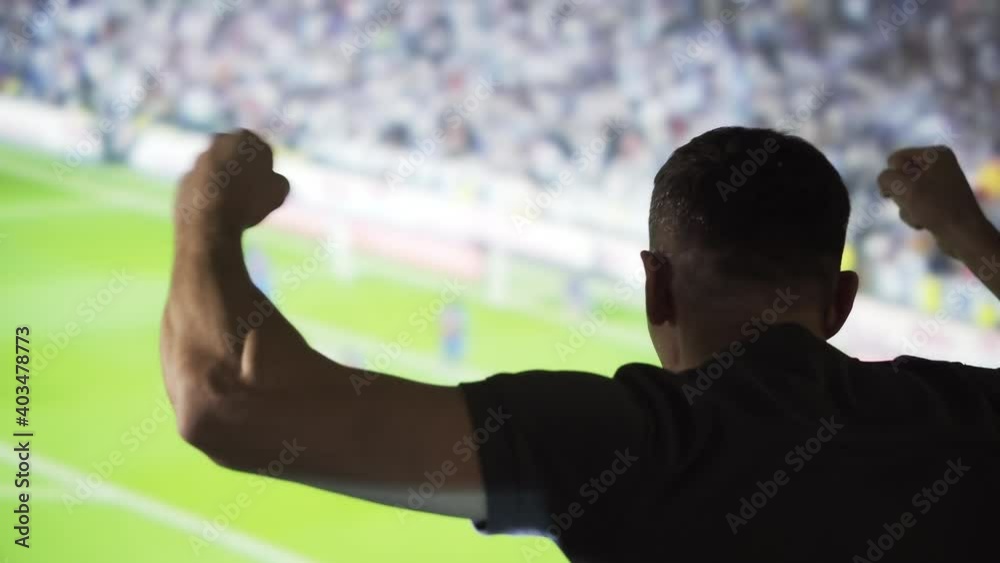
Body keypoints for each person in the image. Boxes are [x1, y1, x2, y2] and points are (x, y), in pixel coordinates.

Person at [160, 127, 999, 562]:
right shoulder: (965, 415)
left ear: (655, 287)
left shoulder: (630, 443)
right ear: (841, 302)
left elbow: (229, 404)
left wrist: (206, 210)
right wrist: (971, 235)